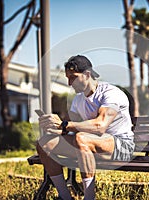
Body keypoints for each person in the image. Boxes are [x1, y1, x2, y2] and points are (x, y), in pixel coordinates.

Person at [36, 55, 135, 200]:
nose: (69, 83)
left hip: (121, 146)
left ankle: (89, 198)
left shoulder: (111, 93)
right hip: (90, 145)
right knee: (44, 143)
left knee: (81, 138)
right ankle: (64, 197)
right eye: (67, 78)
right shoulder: (78, 99)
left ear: (87, 74)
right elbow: (70, 127)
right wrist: (53, 126)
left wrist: (65, 125)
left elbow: (100, 126)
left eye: (73, 77)